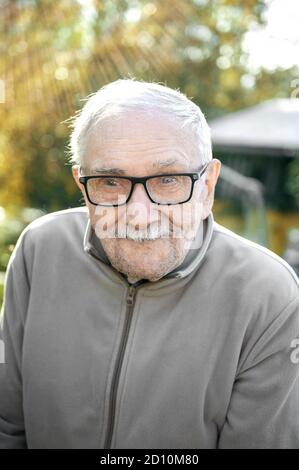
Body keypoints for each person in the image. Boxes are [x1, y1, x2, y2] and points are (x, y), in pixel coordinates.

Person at [0, 79, 298, 449]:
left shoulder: (268, 293)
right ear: (82, 186)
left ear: (207, 187)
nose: (139, 216)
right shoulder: (41, 250)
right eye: (111, 182)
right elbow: (8, 426)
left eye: (169, 180)